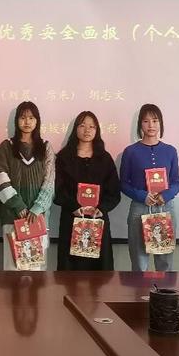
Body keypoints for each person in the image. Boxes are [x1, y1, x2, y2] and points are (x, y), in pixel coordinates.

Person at [54, 111, 121, 270]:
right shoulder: (63, 157)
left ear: (97, 130)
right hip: (72, 219)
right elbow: (57, 190)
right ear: (75, 129)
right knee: (69, 274)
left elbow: (114, 192)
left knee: (99, 274)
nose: (87, 130)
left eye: (92, 127)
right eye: (82, 125)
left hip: (98, 220)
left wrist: (101, 208)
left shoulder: (105, 158)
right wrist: (74, 207)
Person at [119, 104, 179, 271]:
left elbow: (176, 182)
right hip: (140, 207)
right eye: (146, 121)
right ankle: (139, 289)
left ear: (160, 123)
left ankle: (164, 289)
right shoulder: (130, 151)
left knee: (165, 262)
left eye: (155, 120)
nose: (151, 125)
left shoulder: (170, 151)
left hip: (165, 207)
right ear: (140, 124)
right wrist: (142, 196)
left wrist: (165, 196)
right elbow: (123, 183)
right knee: (139, 261)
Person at [0, 102, 55, 270]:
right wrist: (18, 205)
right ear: (16, 121)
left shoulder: (46, 147)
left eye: (31, 118)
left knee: (37, 270)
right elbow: (1, 179)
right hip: (12, 216)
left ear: (37, 121)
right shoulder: (6, 146)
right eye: (22, 117)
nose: (27, 122)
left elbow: (49, 182)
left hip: (38, 219)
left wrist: (37, 208)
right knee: (13, 268)